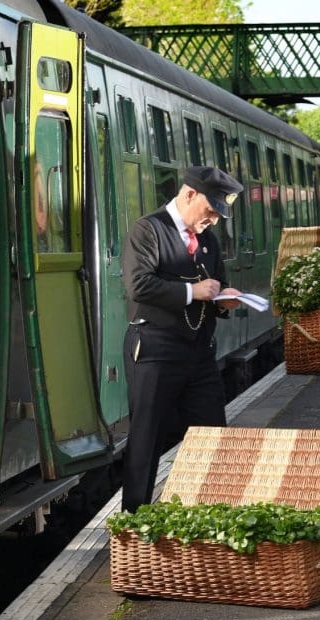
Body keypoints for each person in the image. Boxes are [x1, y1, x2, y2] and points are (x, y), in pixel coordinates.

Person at [120, 166, 245, 512]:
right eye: (211, 211)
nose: (214, 220)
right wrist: (193, 292)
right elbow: (139, 286)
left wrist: (225, 300)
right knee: (146, 440)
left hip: (199, 352)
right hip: (156, 349)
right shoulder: (149, 230)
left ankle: (213, 519)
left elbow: (215, 285)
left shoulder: (208, 241)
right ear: (190, 194)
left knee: (213, 436)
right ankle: (134, 523)